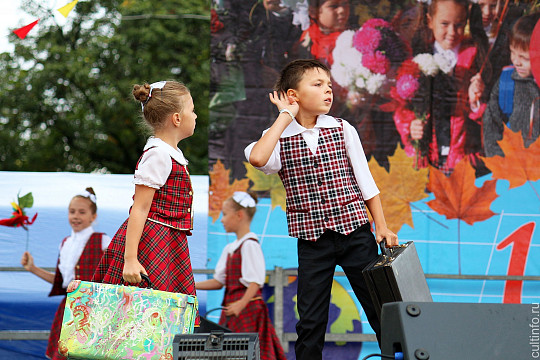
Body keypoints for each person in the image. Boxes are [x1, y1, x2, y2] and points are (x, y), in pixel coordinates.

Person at [245, 59, 398, 359]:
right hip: (313, 242)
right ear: (293, 95)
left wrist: (380, 225)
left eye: (329, 86)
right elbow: (259, 159)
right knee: (312, 319)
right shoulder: (278, 136)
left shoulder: (342, 128)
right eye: (317, 85)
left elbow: (365, 181)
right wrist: (285, 117)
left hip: (355, 233)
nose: (328, 92)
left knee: (379, 309)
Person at [92, 81, 198, 303]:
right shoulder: (158, 154)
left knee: (162, 315)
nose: (195, 116)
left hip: (168, 242)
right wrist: (130, 259)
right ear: (177, 118)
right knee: (140, 312)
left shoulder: (170, 153)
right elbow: (140, 209)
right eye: (192, 110)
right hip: (151, 241)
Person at [20, 188, 111, 360]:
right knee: (65, 354)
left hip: (94, 307)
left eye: (82, 212)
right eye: (72, 212)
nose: (76, 216)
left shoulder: (102, 241)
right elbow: (62, 282)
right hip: (69, 308)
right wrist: (33, 268)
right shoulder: (65, 244)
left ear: (93, 217)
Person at [397, 0, 486, 174]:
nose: (452, 32)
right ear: (430, 21)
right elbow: (402, 105)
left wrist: (476, 101)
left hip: (462, 153)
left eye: (459, 25)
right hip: (427, 153)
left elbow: (486, 110)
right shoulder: (418, 54)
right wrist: (410, 124)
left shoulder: (475, 56)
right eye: (445, 24)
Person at [195, 191, 286, 360]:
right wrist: (191, 286)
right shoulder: (231, 248)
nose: (221, 219)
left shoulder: (250, 245)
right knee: (231, 352)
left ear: (239, 215)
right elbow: (219, 281)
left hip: (247, 308)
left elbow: (255, 282)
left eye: (225, 214)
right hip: (232, 309)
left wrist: (240, 304)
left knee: (249, 352)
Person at [483, 12, 540, 157]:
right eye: (513, 53)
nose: (516, 61)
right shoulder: (507, 82)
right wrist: (497, 158)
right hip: (512, 164)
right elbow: (491, 121)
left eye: (524, 57)